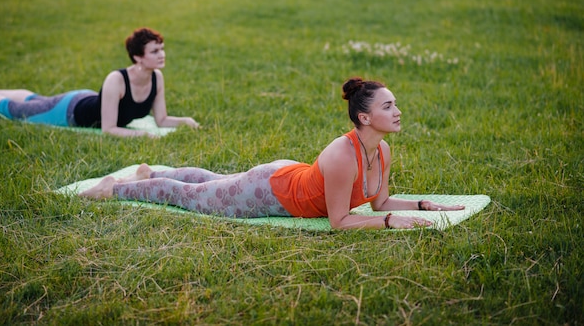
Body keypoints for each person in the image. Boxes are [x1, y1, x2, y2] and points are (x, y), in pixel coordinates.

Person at [80, 77, 464, 229]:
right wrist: (390, 224)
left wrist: (423, 205)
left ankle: (149, 173)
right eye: (387, 107)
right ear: (364, 116)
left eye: (395, 104)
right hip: (268, 192)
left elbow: (379, 202)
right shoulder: (342, 154)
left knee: (216, 182)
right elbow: (341, 221)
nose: (397, 112)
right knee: (192, 197)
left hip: (286, 174)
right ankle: (113, 188)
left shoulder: (382, 152)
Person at [0, 27, 199, 138]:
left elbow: (161, 120)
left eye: (162, 49)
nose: (162, 54)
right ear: (138, 57)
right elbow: (109, 129)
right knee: (15, 110)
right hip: (69, 111)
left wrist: (185, 121)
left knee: (36, 100)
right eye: (155, 51)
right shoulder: (117, 79)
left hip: (84, 99)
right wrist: (143, 137)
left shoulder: (157, 77)